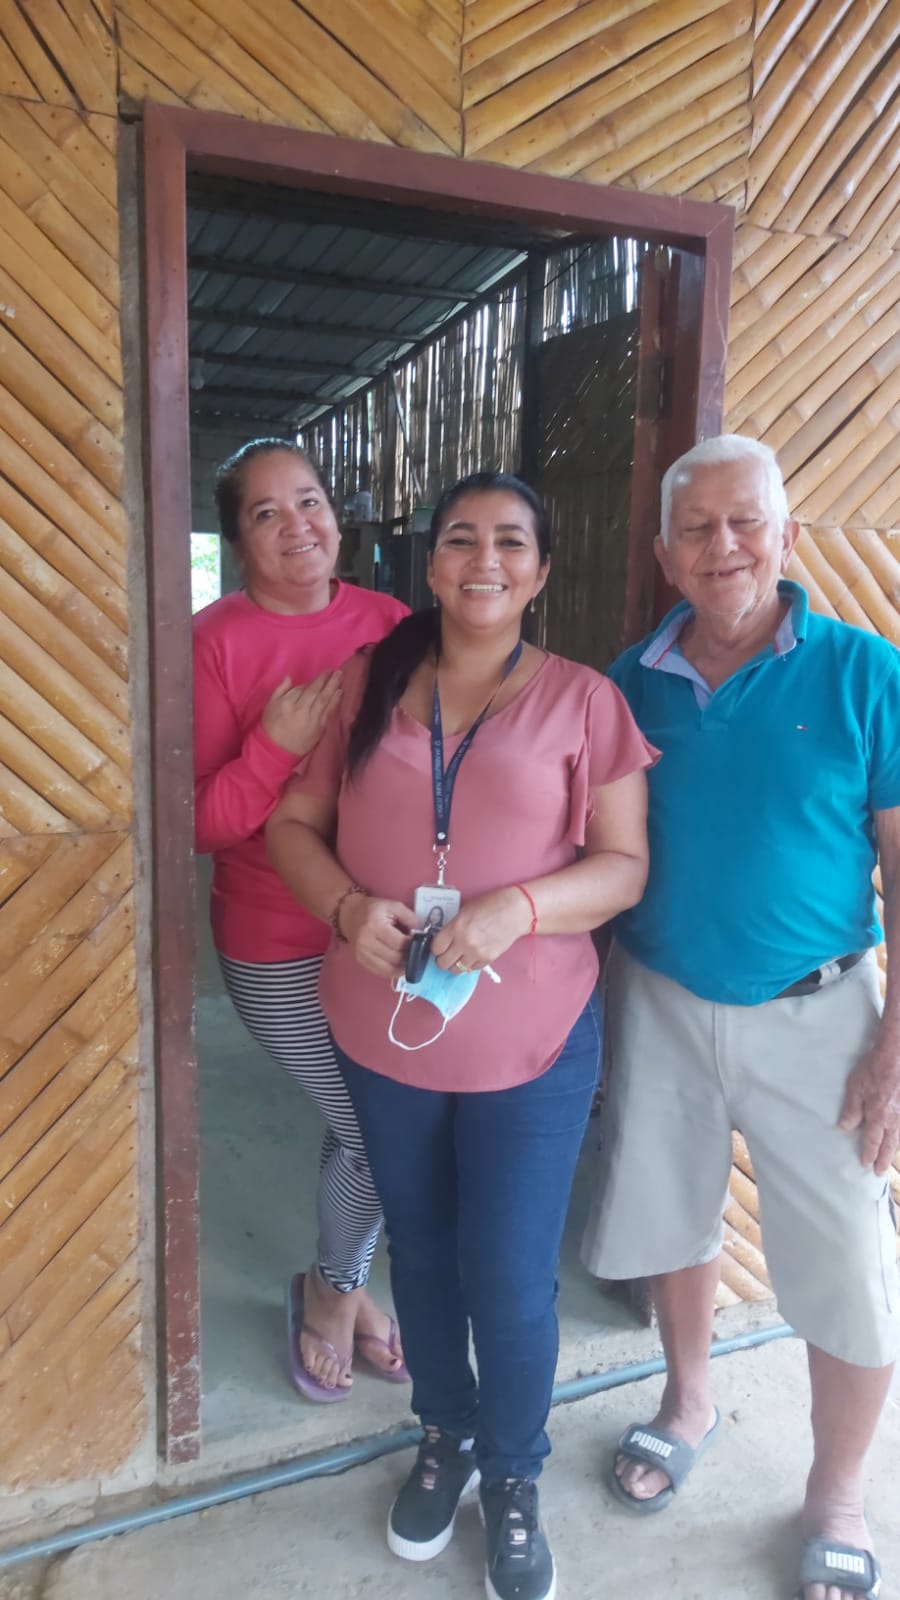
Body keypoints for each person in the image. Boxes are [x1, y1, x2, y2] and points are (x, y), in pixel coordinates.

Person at [266, 470, 657, 1600]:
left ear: (540, 571)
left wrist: (520, 907)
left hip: (530, 1038)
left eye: (510, 543)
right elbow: (293, 825)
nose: (484, 560)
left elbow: (624, 868)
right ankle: (444, 1436)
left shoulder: (586, 701)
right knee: (424, 1253)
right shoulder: (368, 682)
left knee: (510, 1272)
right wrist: (346, 907)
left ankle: (516, 1473)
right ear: (429, 564)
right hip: (386, 1026)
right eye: (460, 540)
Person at [581, 435, 900, 1600]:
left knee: (850, 1259)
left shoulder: (866, 672)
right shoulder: (630, 681)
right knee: (675, 1214)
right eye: (698, 528)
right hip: (661, 997)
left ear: (787, 536)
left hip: (822, 1011)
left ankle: (838, 1492)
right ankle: (688, 1401)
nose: (724, 546)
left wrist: (896, 1047)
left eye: (746, 521)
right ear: (665, 553)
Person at [192, 438, 410, 1402]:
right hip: (275, 938)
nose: (297, 526)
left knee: (371, 1123)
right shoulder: (214, 642)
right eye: (266, 513)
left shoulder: (390, 623)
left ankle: (340, 1281)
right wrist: (274, 748)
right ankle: (334, 1290)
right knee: (375, 1128)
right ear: (236, 538)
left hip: (382, 933)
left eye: (310, 501)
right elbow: (199, 822)